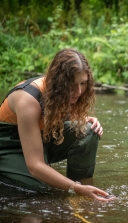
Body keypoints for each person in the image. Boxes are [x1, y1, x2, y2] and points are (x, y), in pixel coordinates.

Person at [0, 48, 115, 201]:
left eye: (84, 83)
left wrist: (85, 118)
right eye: (72, 85)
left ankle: (88, 190)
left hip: (41, 140)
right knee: (45, 190)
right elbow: (35, 165)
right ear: (59, 82)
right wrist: (73, 187)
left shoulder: (60, 92)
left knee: (88, 131)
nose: (79, 91)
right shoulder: (28, 101)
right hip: (9, 148)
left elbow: (57, 115)